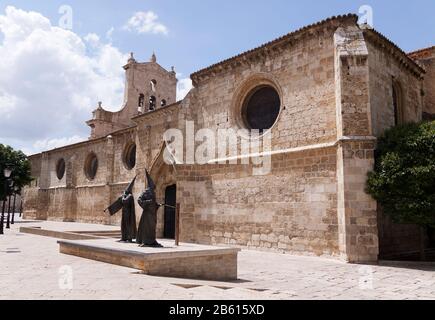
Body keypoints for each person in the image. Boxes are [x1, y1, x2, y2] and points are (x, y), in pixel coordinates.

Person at [105, 176, 137, 242]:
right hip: (124, 213)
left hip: (128, 214)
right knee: (123, 225)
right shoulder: (125, 196)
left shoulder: (130, 196)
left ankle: (129, 238)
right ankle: (123, 237)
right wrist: (109, 208)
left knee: (128, 225)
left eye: (126, 190)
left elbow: (124, 201)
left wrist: (123, 197)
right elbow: (118, 202)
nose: (125, 191)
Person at [136, 170, 162, 247]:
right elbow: (139, 200)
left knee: (152, 228)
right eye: (153, 184)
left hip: (153, 213)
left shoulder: (153, 192)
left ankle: (152, 240)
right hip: (147, 214)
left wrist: (157, 205)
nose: (154, 185)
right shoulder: (146, 192)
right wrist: (148, 202)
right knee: (147, 227)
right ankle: (145, 241)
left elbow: (153, 203)